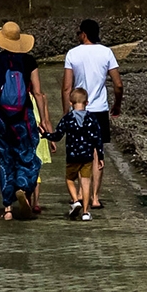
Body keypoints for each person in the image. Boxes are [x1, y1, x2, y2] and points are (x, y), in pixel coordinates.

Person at [0, 21, 46, 220]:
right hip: (23, 117)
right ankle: (23, 188)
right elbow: (38, 93)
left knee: (5, 160)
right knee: (27, 155)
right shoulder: (29, 61)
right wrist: (45, 120)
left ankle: (7, 209)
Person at [62, 19, 122, 211]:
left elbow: (66, 88)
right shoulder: (106, 52)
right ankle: (95, 197)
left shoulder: (73, 53)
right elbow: (118, 84)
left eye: (79, 32)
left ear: (84, 34)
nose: (78, 36)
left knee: (80, 151)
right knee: (97, 153)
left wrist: (66, 113)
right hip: (99, 109)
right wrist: (117, 105)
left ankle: (80, 194)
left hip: (78, 109)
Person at [44, 86, 99, 219]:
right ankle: (86, 212)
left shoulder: (67, 118)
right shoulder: (92, 118)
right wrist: (101, 156)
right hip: (87, 156)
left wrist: (45, 134)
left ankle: (75, 200)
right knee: (86, 183)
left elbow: (57, 136)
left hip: (73, 156)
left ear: (70, 102)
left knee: (69, 179)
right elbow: (97, 138)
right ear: (87, 103)